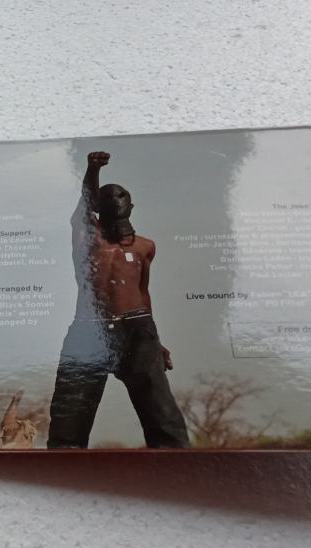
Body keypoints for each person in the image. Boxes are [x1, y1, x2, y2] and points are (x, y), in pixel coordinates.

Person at [47, 151, 191, 449]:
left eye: (121, 195)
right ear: (97, 206)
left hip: (137, 327)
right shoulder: (87, 239)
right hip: (90, 329)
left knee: (161, 413)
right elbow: (85, 203)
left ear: (132, 206)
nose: (115, 198)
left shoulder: (145, 247)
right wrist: (92, 169)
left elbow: (143, 291)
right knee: (69, 417)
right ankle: (63, 470)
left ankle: (176, 468)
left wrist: (155, 340)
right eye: (107, 196)